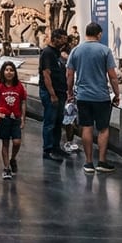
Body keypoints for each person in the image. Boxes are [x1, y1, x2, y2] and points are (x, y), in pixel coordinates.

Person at [65, 22, 122, 174]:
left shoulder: (76, 51)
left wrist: (69, 92)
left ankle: (88, 162)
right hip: (101, 96)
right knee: (103, 129)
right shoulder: (105, 50)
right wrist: (117, 94)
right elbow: (112, 76)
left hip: (83, 96)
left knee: (87, 127)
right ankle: (102, 161)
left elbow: (69, 74)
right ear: (99, 34)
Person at [39, 29, 72, 161]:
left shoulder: (57, 53)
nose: (65, 42)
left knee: (58, 120)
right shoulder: (47, 53)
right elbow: (46, 74)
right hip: (51, 92)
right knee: (50, 121)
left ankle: (56, 146)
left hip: (60, 91)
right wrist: (52, 94)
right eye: (63, 39)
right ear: (56, 38)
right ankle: (48, 149)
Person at [0, 61, 27, 180]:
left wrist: (23, 118)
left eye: (11, 70)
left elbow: (23, 101)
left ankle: (13, 158)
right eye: (6, 70)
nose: (9, 72)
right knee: (5, 143)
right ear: (3, 72)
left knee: (17, 142)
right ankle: (6, 167)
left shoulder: (19, 86)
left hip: (16, 117)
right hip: (4, 118)